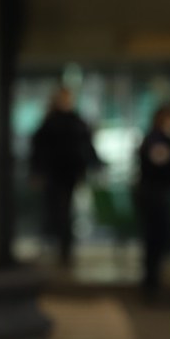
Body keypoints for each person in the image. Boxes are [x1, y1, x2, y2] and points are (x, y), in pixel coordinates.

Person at [28, 85, 100, 266]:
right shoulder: (51, 122)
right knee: (57, 209)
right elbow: (39, 149)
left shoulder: (75, 121)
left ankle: (64, 248)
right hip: (55, 172)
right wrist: (38, 171)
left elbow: (86, 145)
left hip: (69, 173)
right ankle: (59, 244)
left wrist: (94, 164)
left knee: (63, 210)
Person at [135, 102, 170, 299]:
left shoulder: (159, 140)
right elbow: (164, 168)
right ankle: (151, 284)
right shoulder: (157, 141)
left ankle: (152, 282)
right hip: (154, 197)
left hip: (154, 195)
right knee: (155, 240)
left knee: (156, 241)